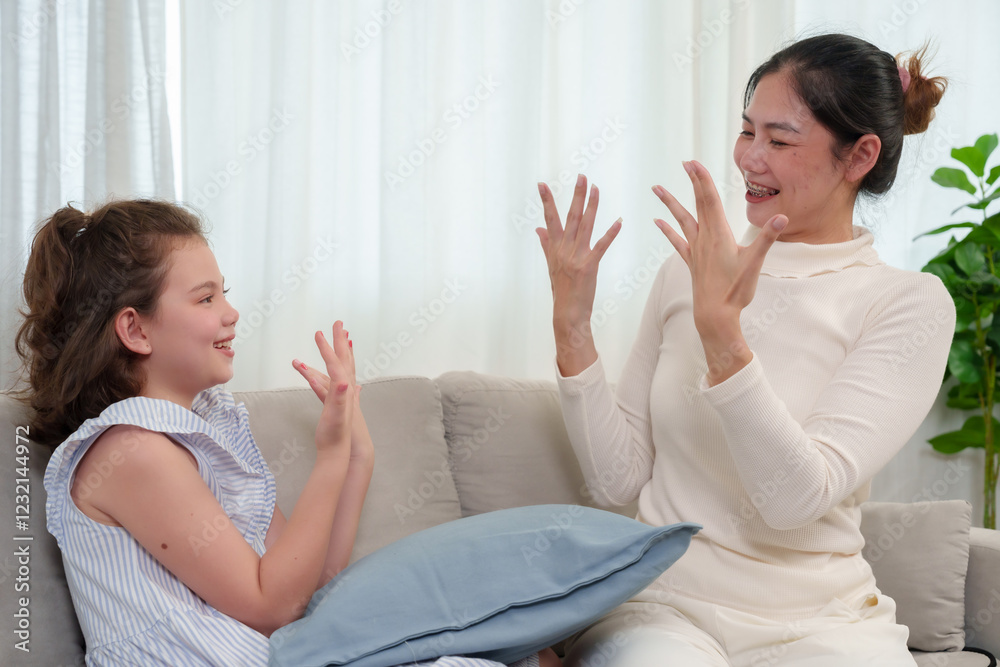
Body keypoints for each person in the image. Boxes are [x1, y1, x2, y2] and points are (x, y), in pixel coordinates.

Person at [534, 34, 952, 666]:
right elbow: (618, 478)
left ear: (860, 155)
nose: (750, 159)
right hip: (664, 608)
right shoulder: (690, 270)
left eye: (780, 141)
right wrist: (572, 326)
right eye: (746, 130)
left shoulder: (905, 303)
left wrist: (724, 338)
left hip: (826, 622)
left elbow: (794, 499)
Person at [16, 200, 554, 667]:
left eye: (224, 293)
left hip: (278, 654)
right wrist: (326, 457)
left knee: (528, 651)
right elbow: (271, 606)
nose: (231, 313)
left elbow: (311, 588)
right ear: (135, 329)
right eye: (205, 299)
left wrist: (354, 454)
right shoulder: (130, 450)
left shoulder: (204, 432)